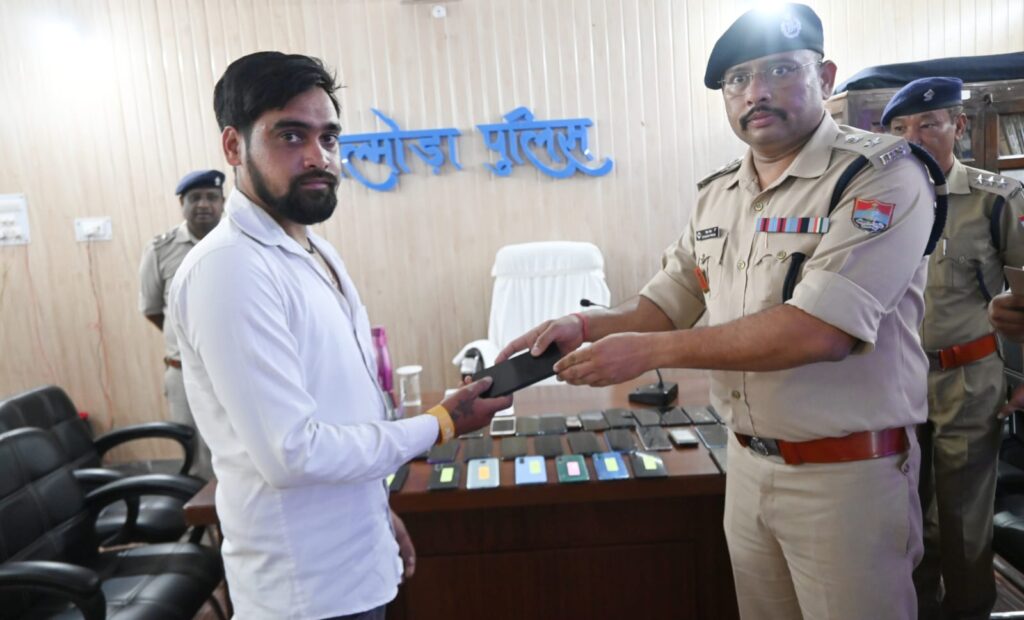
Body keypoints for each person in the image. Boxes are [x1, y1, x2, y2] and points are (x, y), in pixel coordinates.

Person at [499, 4, 936, 618]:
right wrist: (586, 326)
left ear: (825, 77)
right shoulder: (719, 193)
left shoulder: (879, 177)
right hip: (747, 468)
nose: (755, 92)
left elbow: (818, 332)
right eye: (738, 79)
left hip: (845, 477)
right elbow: (667, 300)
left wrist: (647, 353)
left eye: (780, 70)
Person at [167, 51, 511, 619]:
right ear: (233, 146)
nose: (318, 157)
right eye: (290, 136)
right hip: (305, 591)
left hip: (355, 561)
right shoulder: (229, 268)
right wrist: (440, 423)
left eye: (328, 138)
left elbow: (342, 411)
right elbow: (292, 453)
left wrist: (376, 513)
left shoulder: (315, 251)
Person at [881, 77, 1024, 619]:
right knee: (903, 514)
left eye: (928, 124)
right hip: (895, 380)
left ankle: (969, 611)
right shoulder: (878, 201)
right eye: (900, 128)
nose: (913, 138)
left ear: (958, 126)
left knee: (962, 519)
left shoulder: (995, 198)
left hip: (968, 377)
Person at [138, 169, 225, 479]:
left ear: (223, 202)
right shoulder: (161, 249)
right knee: (197, 459)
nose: (204, 204)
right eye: (195, 198)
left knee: (243, 451)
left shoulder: (239, 242)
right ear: (182, 203)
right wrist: (189, 340)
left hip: (234, 369)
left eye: (212, 197)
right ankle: (206, 512)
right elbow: (152, 309)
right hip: (184, 372)